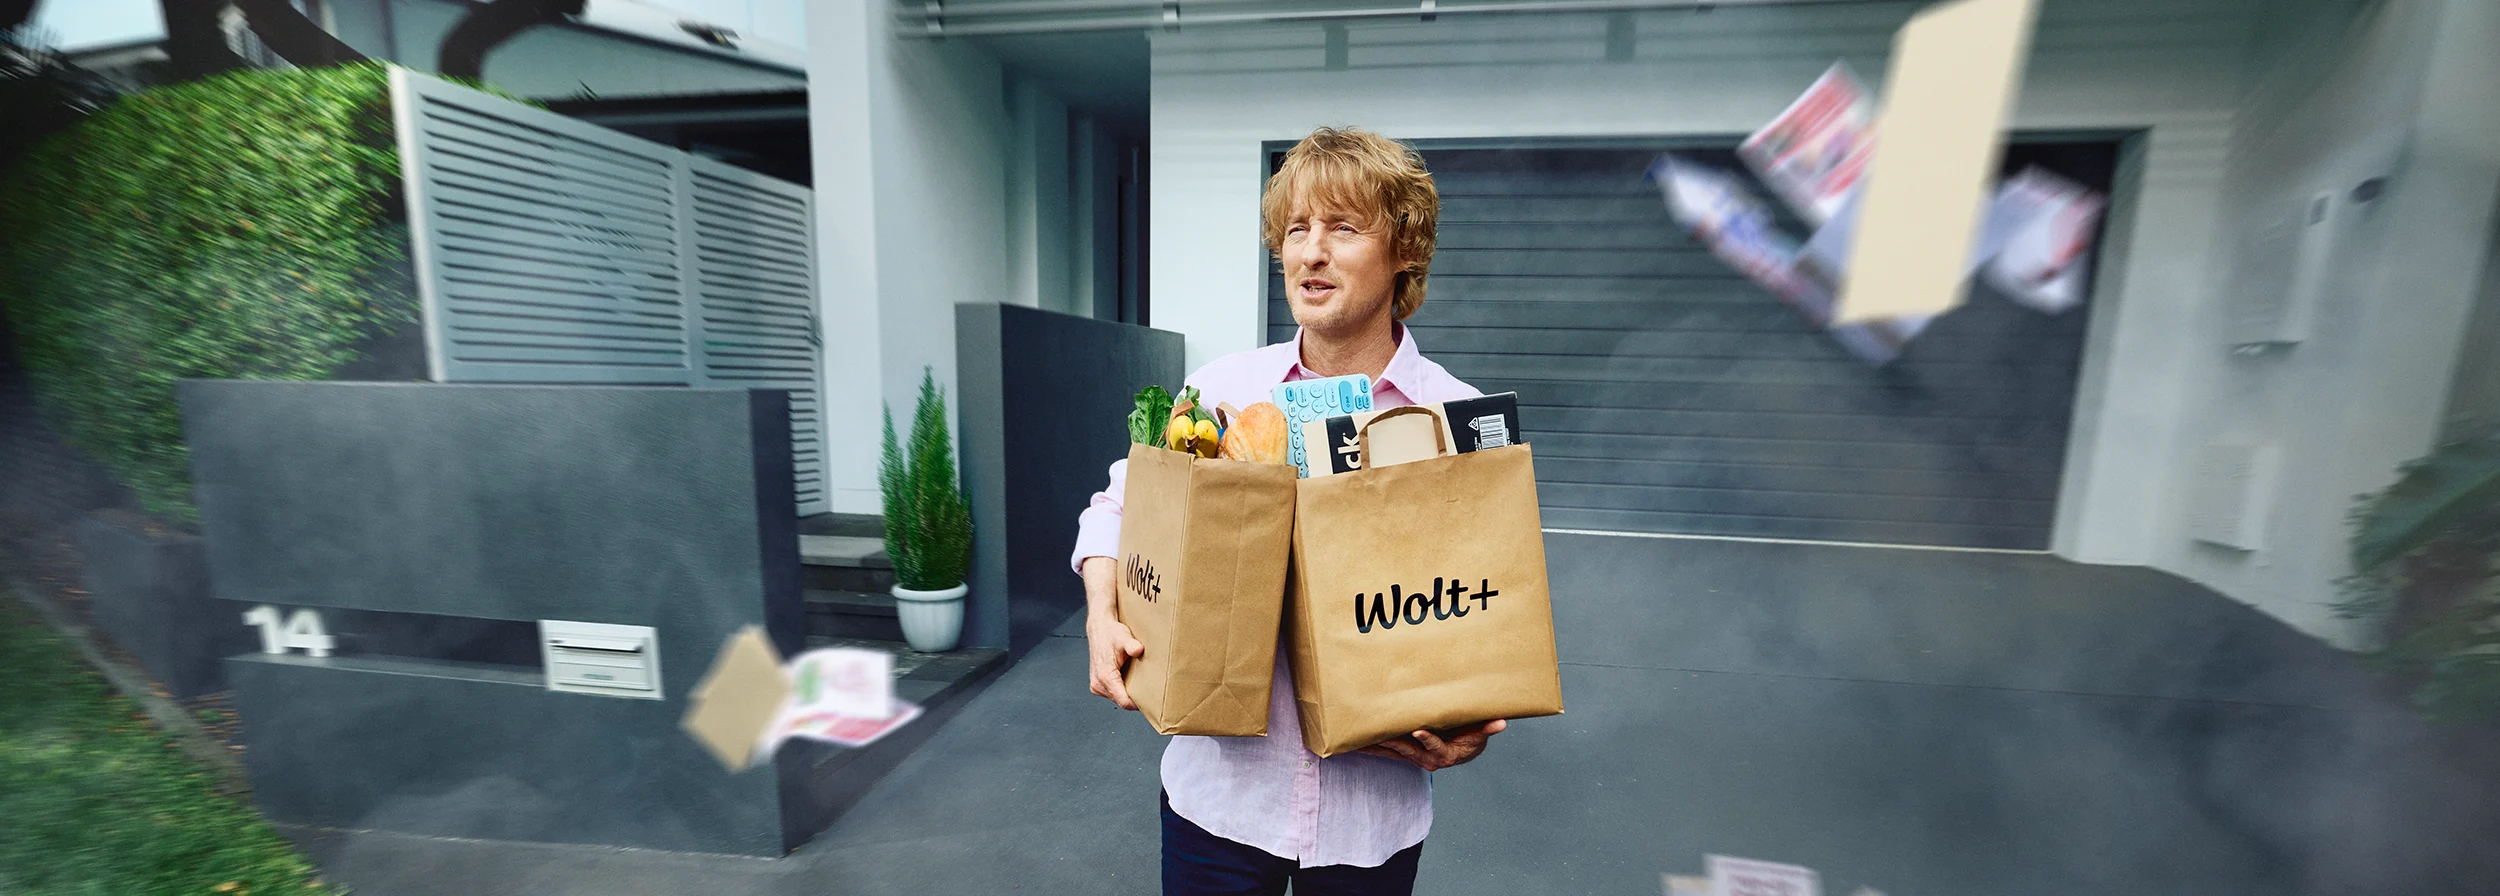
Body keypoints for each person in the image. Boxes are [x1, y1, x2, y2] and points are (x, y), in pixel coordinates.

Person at [1070, 126, 1507, 896]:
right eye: (1297, 229)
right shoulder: (1222, 391)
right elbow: (1117, 506)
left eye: (1344, 227)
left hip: (1370, 821)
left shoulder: (1456, 419)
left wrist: (1472, 727)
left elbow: (1486, 604)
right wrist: (1102, 617)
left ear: (1404, 249)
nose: (1311, 252)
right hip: (1220, 805)